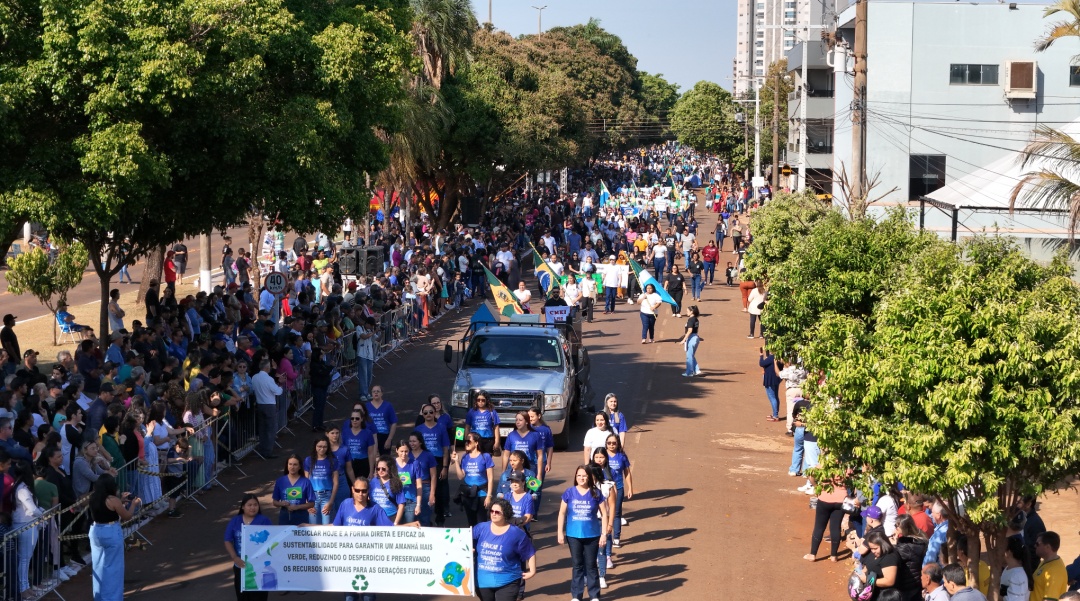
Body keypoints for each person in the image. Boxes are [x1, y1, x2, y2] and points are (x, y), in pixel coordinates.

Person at [558, 466, 608, 601]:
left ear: (589, 477)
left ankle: (594, 595)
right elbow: (562, 513)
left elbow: (604, 513)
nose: (581, 478)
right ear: (575, 477)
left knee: (591, 565)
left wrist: (604, 534)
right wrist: (560, 533)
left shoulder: (596, 493)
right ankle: (576, 595)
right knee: (577, 564)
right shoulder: (569, 492)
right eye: (579, 475)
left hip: (592, 535)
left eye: (584, 476)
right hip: (573, 535)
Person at [473, 498, 537, 601]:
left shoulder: (516, 533)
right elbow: (464, 540)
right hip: (482, 581)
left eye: (497, 512)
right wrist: (468, 549)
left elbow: (529, 552)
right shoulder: (481, 528)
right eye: (491, 511)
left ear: (505, 514)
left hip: (508, 581)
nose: (493, 514)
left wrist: (532, 571)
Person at [89, 474, 140, 601]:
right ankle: (112, 598)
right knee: (113, 568)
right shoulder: (113, 499)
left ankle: (99, 597)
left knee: (98, 566)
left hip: (95, 531)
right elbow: (127, 516)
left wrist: (121, 501)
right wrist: (133, 504)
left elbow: (107, 508)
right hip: (111, 532)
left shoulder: (93, 497)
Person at [224, 494, 273, 601]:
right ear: (243, 507)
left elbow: (272, 541)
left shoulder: (265, 521)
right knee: (242, 597)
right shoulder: (235, 521)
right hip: (240, 566)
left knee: (259, 597)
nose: (252, 507)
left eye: (255, 505)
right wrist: (235, 557)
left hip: (259, 567)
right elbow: (227, 540)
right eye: (249, 505)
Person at [11, 461, 42, 600]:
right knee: (24, 559)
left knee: (25, 558)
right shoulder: (22, 489)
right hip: (25, 525)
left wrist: (41, 512)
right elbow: (32, 508)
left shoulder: (21, 487)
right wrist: (43, 515)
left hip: (26, 524)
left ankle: (25, 586)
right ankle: (22, 588)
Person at [452, 433, 494, 526]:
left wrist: (489, 496)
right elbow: (460, 476)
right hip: (468, 494)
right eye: (465, 441)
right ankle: (473, 540)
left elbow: (490, 478)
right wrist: (456, 461)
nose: (466, 443)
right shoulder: (465, 457)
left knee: (482, 522)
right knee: (471, 523)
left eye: (469, 441)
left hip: (481, 494)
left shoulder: (485, 456)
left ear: (476, 443)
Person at [304, 435, 339, 525]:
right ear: (315, 447)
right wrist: (307, 502)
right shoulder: (308, 460)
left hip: (326, 495)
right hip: (312, 496)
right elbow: (305, 482)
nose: (322, 449)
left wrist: (331, 501)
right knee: (313, 525)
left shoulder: (332, 460)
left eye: (324, 447)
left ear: (328, 448)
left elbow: (335, 483)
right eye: (319, 446)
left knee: (326, 525)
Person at [251, 359, 282, 459]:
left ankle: (263, 449)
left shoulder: (254, 377)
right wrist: (280, 386)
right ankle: (268, 451)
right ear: (267, 367)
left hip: (260, 405)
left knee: (263, 429)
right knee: (270, 429)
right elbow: (277, 391)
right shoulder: (268, 379)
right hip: (269, 405)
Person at [271, 455, 314, 526]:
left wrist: (297, 507)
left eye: (295, 464)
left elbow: (311, 503)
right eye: (290, 464)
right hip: (285, 517)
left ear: (300, 466)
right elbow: (275, 502)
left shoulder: (306, 482)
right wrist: (282, 503)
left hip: (301, 518)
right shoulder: (280, 481)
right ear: (287, 465)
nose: (292, 467)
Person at [1031, 531, 1067, 601]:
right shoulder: (1045, 562)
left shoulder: (1055, 571)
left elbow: (1050, 599)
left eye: (1037, 544)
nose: (1035, 546)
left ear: (1047, 547)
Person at [370, 456, 406, 524]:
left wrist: (395, 523)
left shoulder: (396, 483)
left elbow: (401, 505)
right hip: (374, 516)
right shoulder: (373, 482)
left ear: (390, 469)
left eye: (383, 469)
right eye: (378, 468)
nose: (380, 471)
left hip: (390, 517)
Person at [393, 441, 423, 523]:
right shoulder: (392, 463)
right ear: (396, 450)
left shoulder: (415, 463)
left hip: (410, 500)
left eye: (406, 451)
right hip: (395, 500)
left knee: (409, 527)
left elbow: (419, 485)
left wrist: (418, 504)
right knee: (395, 527)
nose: (404, 454)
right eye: (401, 451)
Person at [1000, 536, 1029, 601]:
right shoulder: (1008, 568)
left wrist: (996, 596)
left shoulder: (1017, 575)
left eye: (1001, 548)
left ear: (1008, 553)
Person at [759, 348, 781, 422]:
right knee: (775, 396)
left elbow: (761, 363)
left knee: (772, 397)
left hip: (770, 379)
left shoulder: (772, 357)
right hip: (776, 379)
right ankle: (775, 413)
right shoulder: (779, 357)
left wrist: (761, 356)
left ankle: (775, 415)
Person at [679, 305, 701, 377]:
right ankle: (696, 370)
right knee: (691, 355)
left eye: (687, 311)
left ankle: (689, 372)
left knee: (689, 356)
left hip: (691, 338)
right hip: (696, 337)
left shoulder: (691, 319)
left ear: (691, 312)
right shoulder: (696, 319)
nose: (686, 312)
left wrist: (683, 340)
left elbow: (690, 330)